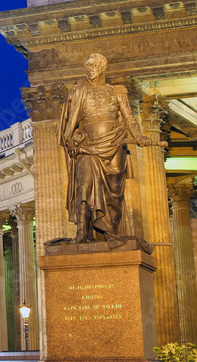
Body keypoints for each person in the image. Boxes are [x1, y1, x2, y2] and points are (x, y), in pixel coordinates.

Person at [59, 54, 162, 243]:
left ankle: (110, 231)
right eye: (87, 66)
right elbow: (69, 124)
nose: (89, 70)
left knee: (114, 190)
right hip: (87, 146)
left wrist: (138, 136)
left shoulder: (117, 92)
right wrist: (72, 140)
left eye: (93, 66)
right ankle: (81, 232)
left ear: (103, 68)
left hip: (114, 144)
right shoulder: (76, 92)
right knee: (84, 187)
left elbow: (129, 117)